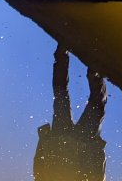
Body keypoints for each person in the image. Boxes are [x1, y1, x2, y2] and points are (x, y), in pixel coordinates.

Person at [32, 44, 107, 181]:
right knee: (61, 94)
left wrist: (98, 147)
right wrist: (44, 140)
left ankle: (94, 71)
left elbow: (97, 176)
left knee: (97, 103)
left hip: (78, 143)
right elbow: (38, 168)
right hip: (60, 141)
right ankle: (62, 53)